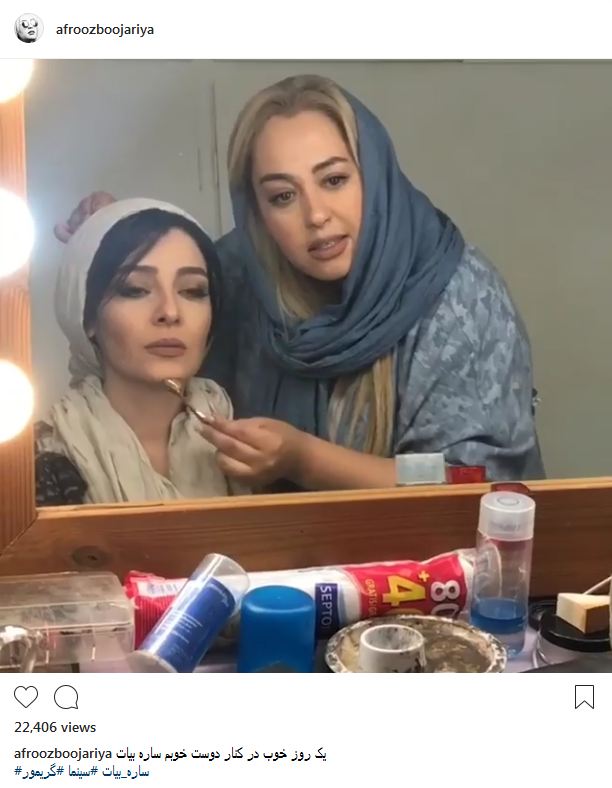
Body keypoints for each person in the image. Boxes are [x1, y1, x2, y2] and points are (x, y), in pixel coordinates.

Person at [54, 75, 545, 490]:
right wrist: (113, 239)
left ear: (375, 176)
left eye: (334, 180)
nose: (316, 216)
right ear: (257, 212)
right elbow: (163, 294)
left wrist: (306, 460)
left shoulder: (459, 301)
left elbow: (472, 481)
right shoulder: (244, 271)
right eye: (283, 196)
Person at [37, 198, 248, 505]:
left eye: (193, 291)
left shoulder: (246, 444)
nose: (170, 312)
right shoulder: (42, 462)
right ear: (88, 316)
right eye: (135, 290)